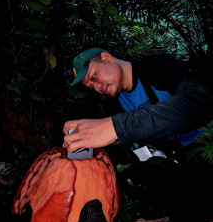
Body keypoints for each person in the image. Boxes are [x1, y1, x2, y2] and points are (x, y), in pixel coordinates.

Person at [63, 48, 213, 160]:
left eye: (94, 77)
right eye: (91, 87)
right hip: (173, 159)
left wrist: (119, 127)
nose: (97, 88)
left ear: (106, 58)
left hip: (205, 144)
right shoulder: (114, 104)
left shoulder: (157, 67)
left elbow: (201, 101)